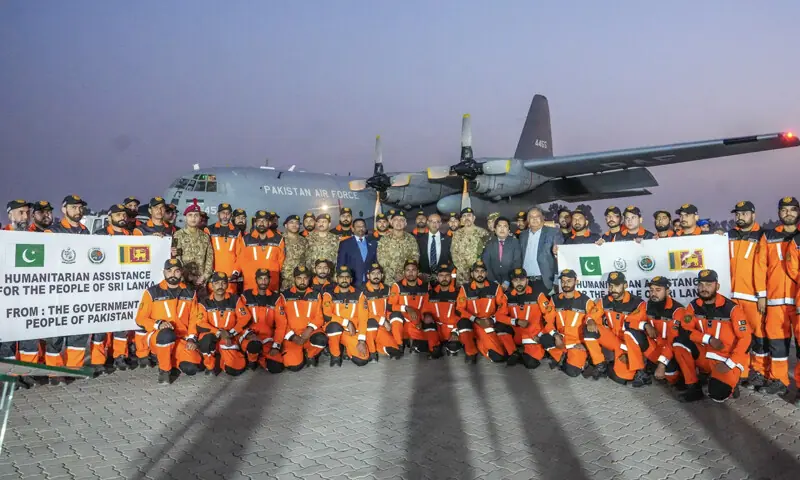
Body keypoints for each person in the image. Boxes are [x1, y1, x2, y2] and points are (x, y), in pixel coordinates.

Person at [673, 269, 751, 403]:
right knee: (680, 344)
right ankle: (694, 387)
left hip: (727, 358)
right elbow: (686, 329)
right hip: (706, 353)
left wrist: (730, 364)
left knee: (718, 395)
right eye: (701, 285)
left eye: (709, 285)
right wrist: (707, 339)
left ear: (717, 286)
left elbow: (746, 339)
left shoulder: (732, 309)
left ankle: (730, 382)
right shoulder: (693, 306)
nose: (704, 288)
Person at [44, 195, 96, 379]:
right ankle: (54, 372)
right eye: (73, 208)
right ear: (64, 209)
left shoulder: (85, 231)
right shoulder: (52, 232)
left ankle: (74, 368)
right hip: (58, 291)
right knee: (56, 334)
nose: (78, 211)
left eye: (80, 208)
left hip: (80, 291)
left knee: (79, 332)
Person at [754, 196, 799, 396]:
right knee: (777, 344)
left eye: (792, 209)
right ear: (778, 213)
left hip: (798, 301)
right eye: (784, 210)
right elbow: (760, 266)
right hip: (774, 301)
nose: (788, 213)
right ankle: (778, 379)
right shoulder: (769, 236)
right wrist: (762, 295)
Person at [135, 259, 202, 384]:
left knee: (192, 368)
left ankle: (170, 360)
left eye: (176, 271)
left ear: (181, 272)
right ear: (164, 272)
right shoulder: (152, 292)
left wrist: (192, 338)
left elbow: (194, 318)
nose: (172, 274)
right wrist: (158, 324)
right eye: (169, 271)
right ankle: (164, 370)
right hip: (158, 337)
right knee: (167, 334)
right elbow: (140, 319)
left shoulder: (190, 293)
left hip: (180, 338)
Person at [727, 200, 767, 388]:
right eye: (738, 214)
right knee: (737, 335)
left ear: (753, 215)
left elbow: (764, 266)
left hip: (752, 296)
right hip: (732, 295)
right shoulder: (729, 235)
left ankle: (758, 371)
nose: (740, 217)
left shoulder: (762, 235)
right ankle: (741, 370)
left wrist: (762, 295)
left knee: (758, 336)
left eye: (744, 213)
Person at [94, 204, 134, 371]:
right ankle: (97, 360)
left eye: (123, 215)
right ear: (110, 218)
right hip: (103, 287)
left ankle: (120, 356)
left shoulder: (131, 236)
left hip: (123, 287)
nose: (122, 218)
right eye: (118, 215)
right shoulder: (99, 235)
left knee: (121, 324)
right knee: (100, 326)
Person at [539, 269, 601, 377]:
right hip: (562, 339)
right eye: (563, 281)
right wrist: (556, 335)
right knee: (544, 337)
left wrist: (586, 345)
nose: (565, 284)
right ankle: (562, 356)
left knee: (572, 372)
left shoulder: (585, 301)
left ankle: (581, 359)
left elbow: (596, 326)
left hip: (577, 342)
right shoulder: (555, 299)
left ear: (576, 281)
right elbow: (547, 321)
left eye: (569, 281)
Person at [192, 272, 251, 376]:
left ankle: (222, 359)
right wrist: (219, 332)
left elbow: (245, 317)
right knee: (206, 340)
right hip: (212, 335)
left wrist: (231, 333)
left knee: (235, 369)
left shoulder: (235, 299)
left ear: (227, 285)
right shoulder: (204, 302)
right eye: (217, 283)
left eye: (223, 283)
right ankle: (210, 365)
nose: (220, 286)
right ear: (212, 285)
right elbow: (201, 323)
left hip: (229, 336)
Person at [495, 268, 551, 369]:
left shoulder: (538, 295)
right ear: (511, 282)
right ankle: (514, 352)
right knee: (499, 325)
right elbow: (499, 316)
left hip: (533, 335)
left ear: (527, 280)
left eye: (521, 280)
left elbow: (550, 316)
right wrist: (515, 321)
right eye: (515, 280)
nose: (519, 283)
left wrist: (541, 334)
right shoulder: (507, 297)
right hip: (516, 334)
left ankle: (529, 352)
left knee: (531, 364)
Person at [274, 266, 327, 370]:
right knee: (295, 366)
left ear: (309, 279)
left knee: (321, 339)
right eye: (299, 278)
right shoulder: (284, 296)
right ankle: (298, 352)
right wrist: (292, 336)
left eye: (305, 278)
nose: (302, 281)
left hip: (309, 333)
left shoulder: (316, 295)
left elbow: (319, 317)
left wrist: (310, 328)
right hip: (293, 335)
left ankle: (310, 354)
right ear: (294, 279)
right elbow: (281, 321)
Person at [456, 261, 509, 364]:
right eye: (476, 271)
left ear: (486, 273)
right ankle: (471, 353)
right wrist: (474, 319)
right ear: (472, 274)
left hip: (487, 324)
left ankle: (478, 343)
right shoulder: (465, 288)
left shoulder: (495, 287)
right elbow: (459, 309)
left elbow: (503, 307)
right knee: (463, 324)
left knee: (498, 357)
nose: (479, 274)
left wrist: (492, 319)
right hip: (471, 323)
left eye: (482, 271)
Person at [323, 266, 370, 367]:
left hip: (352, 333)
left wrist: (361, 340)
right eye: (341, 277)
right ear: (337, 279)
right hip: (335, 331)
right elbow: (327, 315)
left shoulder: (359, 295)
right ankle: (335, 355)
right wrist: (347, 323)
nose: (344, 279)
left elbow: (363, 318)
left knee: (362, 359)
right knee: (333, 327)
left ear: (351, 279)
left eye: (347, 277)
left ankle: (346, 348)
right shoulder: (329, 294)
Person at [644, 276, 685, 387]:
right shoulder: (647, 305)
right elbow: (632, 320)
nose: (653, 293)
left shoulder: (677, 310)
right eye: (651, 290)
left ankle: (677, 376)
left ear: (667, 291)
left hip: (670, 350)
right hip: (656, 345)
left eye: (658, 290)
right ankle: (644, 367)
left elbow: (673, 340)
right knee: (633, 333)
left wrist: (662, 364)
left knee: (670, 375)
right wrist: (645, 324)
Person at [389, 260, 436, 356]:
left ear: (418, 272)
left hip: (416, 320)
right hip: (402, 320)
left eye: (413, 270)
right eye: (408, 270)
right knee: (395, 316)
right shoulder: (397, 286)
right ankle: (399, 345)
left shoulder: (425, 286)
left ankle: (414, 341)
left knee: (429, 347)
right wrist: (407, 308)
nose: (410, 273)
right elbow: (391, 306)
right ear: (404, 272)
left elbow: (427, 306)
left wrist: (424, 317)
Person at [240, 269, 283, 373]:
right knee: (254, 345)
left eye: (266, 279)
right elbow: (239, 319)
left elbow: (281, 324)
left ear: (269, 280)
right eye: (260, 279)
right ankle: (252, 360)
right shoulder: (246, 296)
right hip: (249, 337)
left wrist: (276, 345)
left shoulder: (276, 298)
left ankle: (260, 357)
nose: (263, 281)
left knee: (277, 367)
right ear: (256, 280)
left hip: (267, 338)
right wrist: (247, 334)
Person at [234, 210, 285, 293]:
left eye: (264, 221)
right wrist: (235, 272)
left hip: (271, 284)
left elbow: (282, 262)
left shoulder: (278, 239)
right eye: (259, 221)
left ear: (269, 223)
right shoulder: (246, 239)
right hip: (250, 284)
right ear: (255, 223)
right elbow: (240, 259)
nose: (261, 223)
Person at [360, 263, 403, 360]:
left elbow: (389, 307)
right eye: (373, 273)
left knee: (396, 351)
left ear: (382, 275)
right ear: (368, 276)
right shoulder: (362, 291)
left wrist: (388, 321)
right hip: (369, 326)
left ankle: (380, 346)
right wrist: (382, 321)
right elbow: (364, 315)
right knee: (371, 323)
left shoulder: (387, 289)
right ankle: (372, 351)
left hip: (383, 326)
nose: (376, 276)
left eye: (378, 273)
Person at [519, 207, 562, 296]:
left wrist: (556, 281)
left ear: (543, 218)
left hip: (544, 281)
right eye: (531, 216)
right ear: (527, 220)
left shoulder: (553, 232)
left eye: (537, 216)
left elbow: (560, 253)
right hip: (524, 282)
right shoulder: (522, 235)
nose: (534, 219)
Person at [173, 200, 214, 294]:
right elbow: (177, 258)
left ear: (200, 218)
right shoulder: (178, 235)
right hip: (184, 281)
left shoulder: (205, 236)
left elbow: (209, 258)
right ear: (185, 218)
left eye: (196, 215)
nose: (193, 218)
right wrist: (185, 276)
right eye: (190, 215)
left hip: (201, 282)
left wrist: (204, 276)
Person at [423, 264, 464, 356]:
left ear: (451, 277)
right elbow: (425, 311)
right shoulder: (431, 294)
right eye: (441, 276)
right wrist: (427, 315)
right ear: (437, 278)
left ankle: (452, 345)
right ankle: (435, 345)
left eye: (447, 275)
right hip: (436, 329)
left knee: (454, 348)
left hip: (452, 330)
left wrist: (456, 331)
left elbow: (463, 315)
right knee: (433, 351)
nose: (444, 278)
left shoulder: (458, 293)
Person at [204, 203, 241, 294]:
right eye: (223, 213)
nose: (225, 216)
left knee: (230, 304)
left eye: (228, 213)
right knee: (213, 304)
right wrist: (209, 272)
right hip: (213, 277)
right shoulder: (209, 230)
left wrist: (236, 272)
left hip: (230, 279)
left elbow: (240, 255)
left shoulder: (237, 232)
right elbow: (205, 254)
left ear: (231, 215)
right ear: (218, 214)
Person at [376, 210, 420, 285]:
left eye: (401, 220)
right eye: (396, 220)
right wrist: (394, 274)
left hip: (407, 278)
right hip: (389, 280)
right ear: (391, 222)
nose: (398, 222)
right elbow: (381, 259)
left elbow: (415, 257)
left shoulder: (411, 239)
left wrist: (404, 274)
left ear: (405, 223)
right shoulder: (384, 239)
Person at [450, 208, 490, 286]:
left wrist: (480, 268)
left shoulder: (483, 232)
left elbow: (487, 253)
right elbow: (454, 252)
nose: (467, 218)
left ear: (474, 218)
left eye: (469, 215)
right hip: (462, 274)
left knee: (480, 295)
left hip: (479, 273)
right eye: (464, 216)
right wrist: (461, 268)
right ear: (461, 219)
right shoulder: (457, 234)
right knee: (463, 295)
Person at [482, 217, 522, 289]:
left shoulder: (515, 243)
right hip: (492, 283)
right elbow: (486, 264)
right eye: (499, 226)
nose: (502, 229)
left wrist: (507, 281)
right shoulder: (489, 244)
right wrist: (493, 281)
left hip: (511, 283)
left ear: (509, 230)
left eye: (505, 226)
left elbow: (517, 263)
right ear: (495, 229)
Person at [337, 218, 377, 287]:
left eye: (363, 226)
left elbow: (375, 262)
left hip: (370, 282)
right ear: (352, 229)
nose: (361, 228)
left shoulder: (373, 242)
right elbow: (341, 263)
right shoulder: (345, 243)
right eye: (358, 226)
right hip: (353, 283)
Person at [416, 213, 451, 282]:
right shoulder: (419, 239)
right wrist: (419, 273)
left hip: (442, 279)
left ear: (440, 223)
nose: (434, 224)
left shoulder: (448, 239)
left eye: (437, 222)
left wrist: (447, 273)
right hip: (424, 278)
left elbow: (453, 259)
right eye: (432, 221)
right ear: (428, 223)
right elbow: (415, 257)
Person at [281, 214, 309, 291]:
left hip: (301, 282)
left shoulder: (304, 241)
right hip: (284, 281)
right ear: (286, 225)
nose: (294, 225)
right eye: (291, 222)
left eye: (297, 223)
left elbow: (307, 259)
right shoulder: (280, 240)